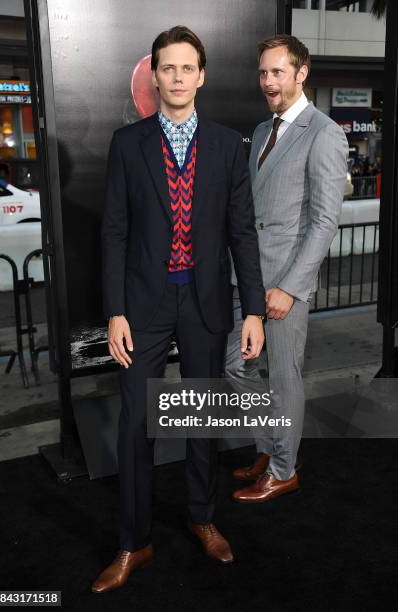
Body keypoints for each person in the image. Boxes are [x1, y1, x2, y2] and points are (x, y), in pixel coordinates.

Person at [92, 25, 265, 593]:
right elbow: (114, 231)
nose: (178, 77)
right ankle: (132, 542)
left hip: (206, 300)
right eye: (168, 67)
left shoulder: (225, 145)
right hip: (143, 303)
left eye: (188, 67)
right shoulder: (128, 142)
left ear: (202, 75)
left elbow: (242, 233)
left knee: (200, 420)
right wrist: (115, 310)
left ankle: (202, 515)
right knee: (136, 426)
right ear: (155, 74)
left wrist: (255, 310)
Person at [225, 35, 348, 504]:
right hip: (249, 276)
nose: (268, 81)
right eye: (263, 72)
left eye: (278, 71)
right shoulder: (261, 131)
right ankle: (269, 446)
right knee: (232, 365)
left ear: (301, 73)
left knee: (283, 376)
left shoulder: (324, 132)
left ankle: (283, 469)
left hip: (283, 285)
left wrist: (292, 289)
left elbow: (323, 220)